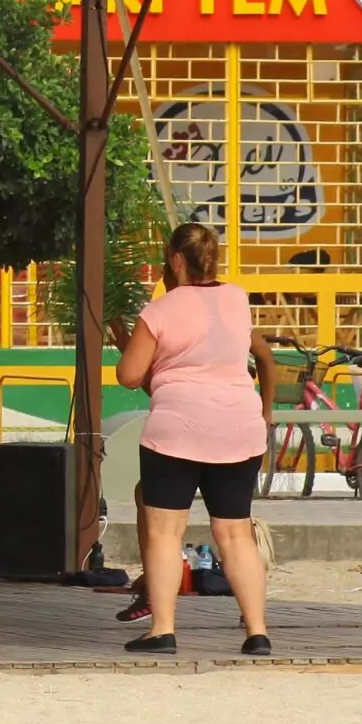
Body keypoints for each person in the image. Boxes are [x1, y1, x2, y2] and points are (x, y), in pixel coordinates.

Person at [108, 221, 277, 657]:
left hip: (178, 430)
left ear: (176, 260)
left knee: (166, 531)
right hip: (239, 428)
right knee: (235, 532)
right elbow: (252, 355)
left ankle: (162, 630)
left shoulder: (160, 311)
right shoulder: (237, 299)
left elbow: (129, 376)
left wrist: (123, 339)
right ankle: (256, 632)